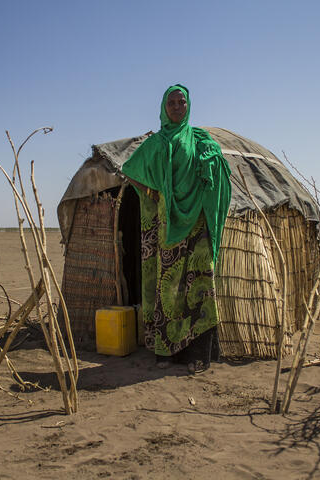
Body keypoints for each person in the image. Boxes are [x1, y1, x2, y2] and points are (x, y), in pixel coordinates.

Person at [122, 84, 231, 374]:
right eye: (171, 102)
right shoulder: (156, 143)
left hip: (196, 222)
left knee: (199, 284)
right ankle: (166, 351)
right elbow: (129, 169)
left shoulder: (199, 139)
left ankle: (198, 353)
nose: (177, 106)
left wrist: (212, 159)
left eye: (181, 101)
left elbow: (217, 166)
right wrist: (153, 191)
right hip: (168, 225)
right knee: (168, 288)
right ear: (163, 107)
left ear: (188, 105)